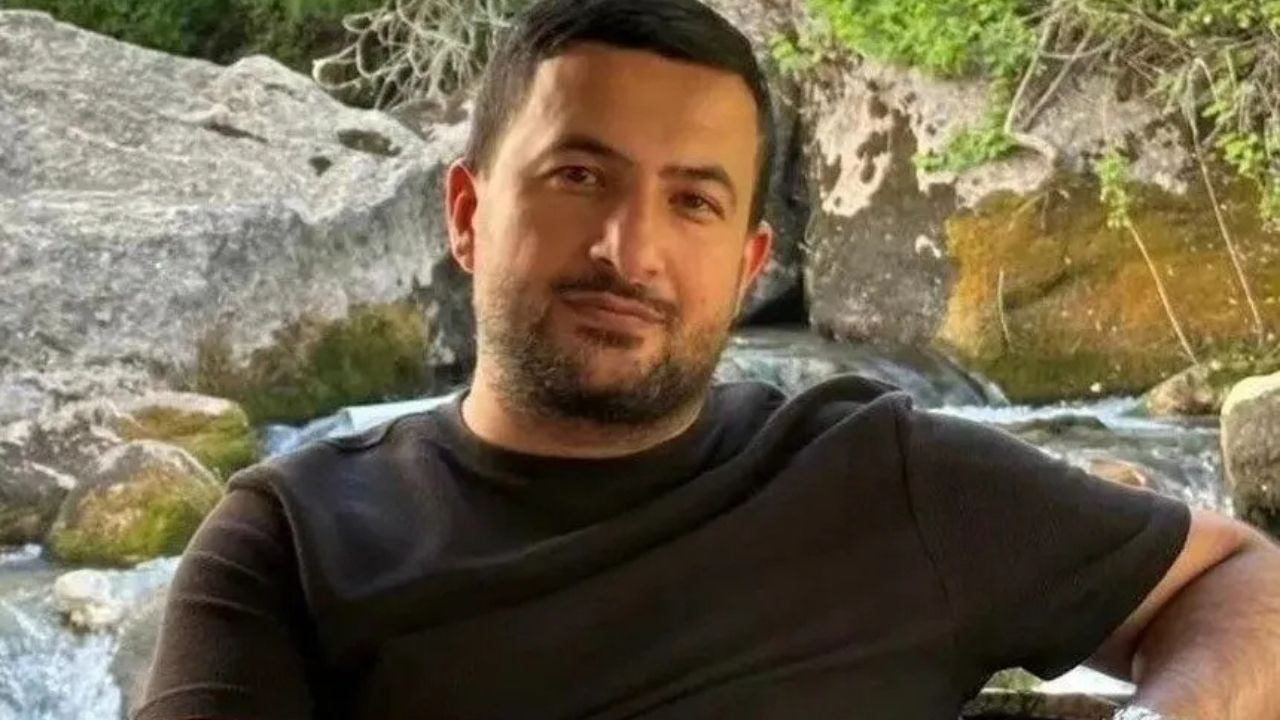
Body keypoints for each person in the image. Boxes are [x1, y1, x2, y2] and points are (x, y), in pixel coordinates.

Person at [135, 0, 1280, 718]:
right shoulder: (292, 540)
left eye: (691, 201)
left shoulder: (881, 477)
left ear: (748, 263)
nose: (627, 250)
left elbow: (1239, 581)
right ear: (469, 213)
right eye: (578, 177)